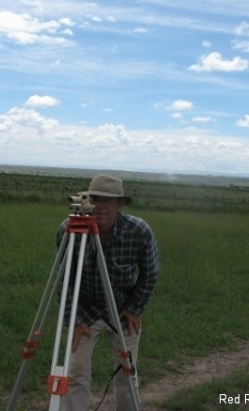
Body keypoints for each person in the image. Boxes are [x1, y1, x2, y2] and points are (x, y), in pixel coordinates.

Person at [56, 175, 160, 411]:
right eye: (95, 199)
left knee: (127, 373)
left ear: (120, 205)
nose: (100, 206)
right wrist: (75, 318)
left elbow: (151, 273)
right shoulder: (69, 230)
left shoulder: (139, 230)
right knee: (75, 372)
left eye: (108, 201)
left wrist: (134, 308)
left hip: (122, 309)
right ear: (87, 201)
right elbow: (66, 279)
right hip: (85, 309)